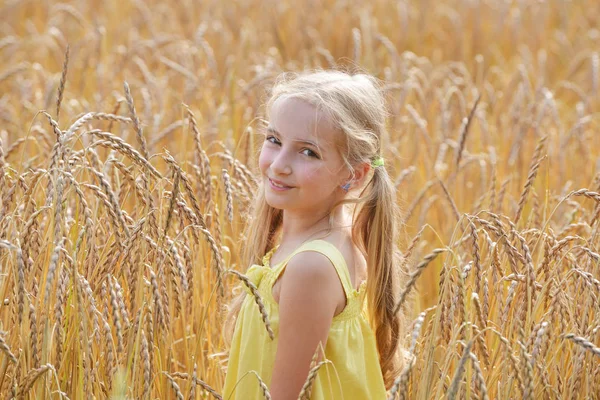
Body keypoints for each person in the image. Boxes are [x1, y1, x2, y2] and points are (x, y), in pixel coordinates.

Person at [222, 69, 409, 399]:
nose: (279, 164)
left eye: (308, 152)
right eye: (274, 140)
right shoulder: (334, 236)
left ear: (353, 174)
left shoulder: (311, 267)